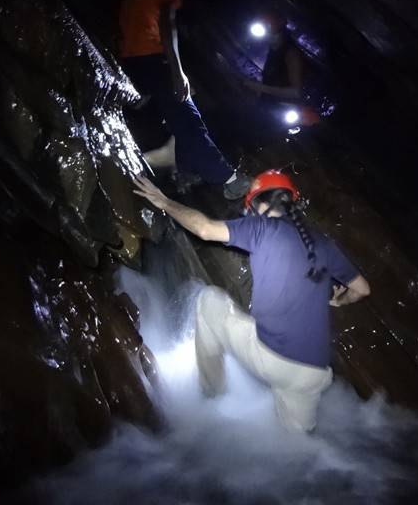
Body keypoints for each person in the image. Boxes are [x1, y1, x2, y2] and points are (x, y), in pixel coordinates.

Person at [134, 169, 370, 432]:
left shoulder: (261, 226)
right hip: (313, 373)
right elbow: (362, 289)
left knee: (208, 301)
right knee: (298, 447)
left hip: (271, 358)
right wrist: (340, 301)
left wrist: (165, 202)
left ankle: (210, 395)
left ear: (259, 204)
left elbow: (204, 228)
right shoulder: (323, 243)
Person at [118, 0, 249, 199]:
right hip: (152, 58)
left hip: (132, 60)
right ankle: (227, 178)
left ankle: (185, 171)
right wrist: (177, 72)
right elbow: (168, 25)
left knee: (177, 115)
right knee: (187, 117)